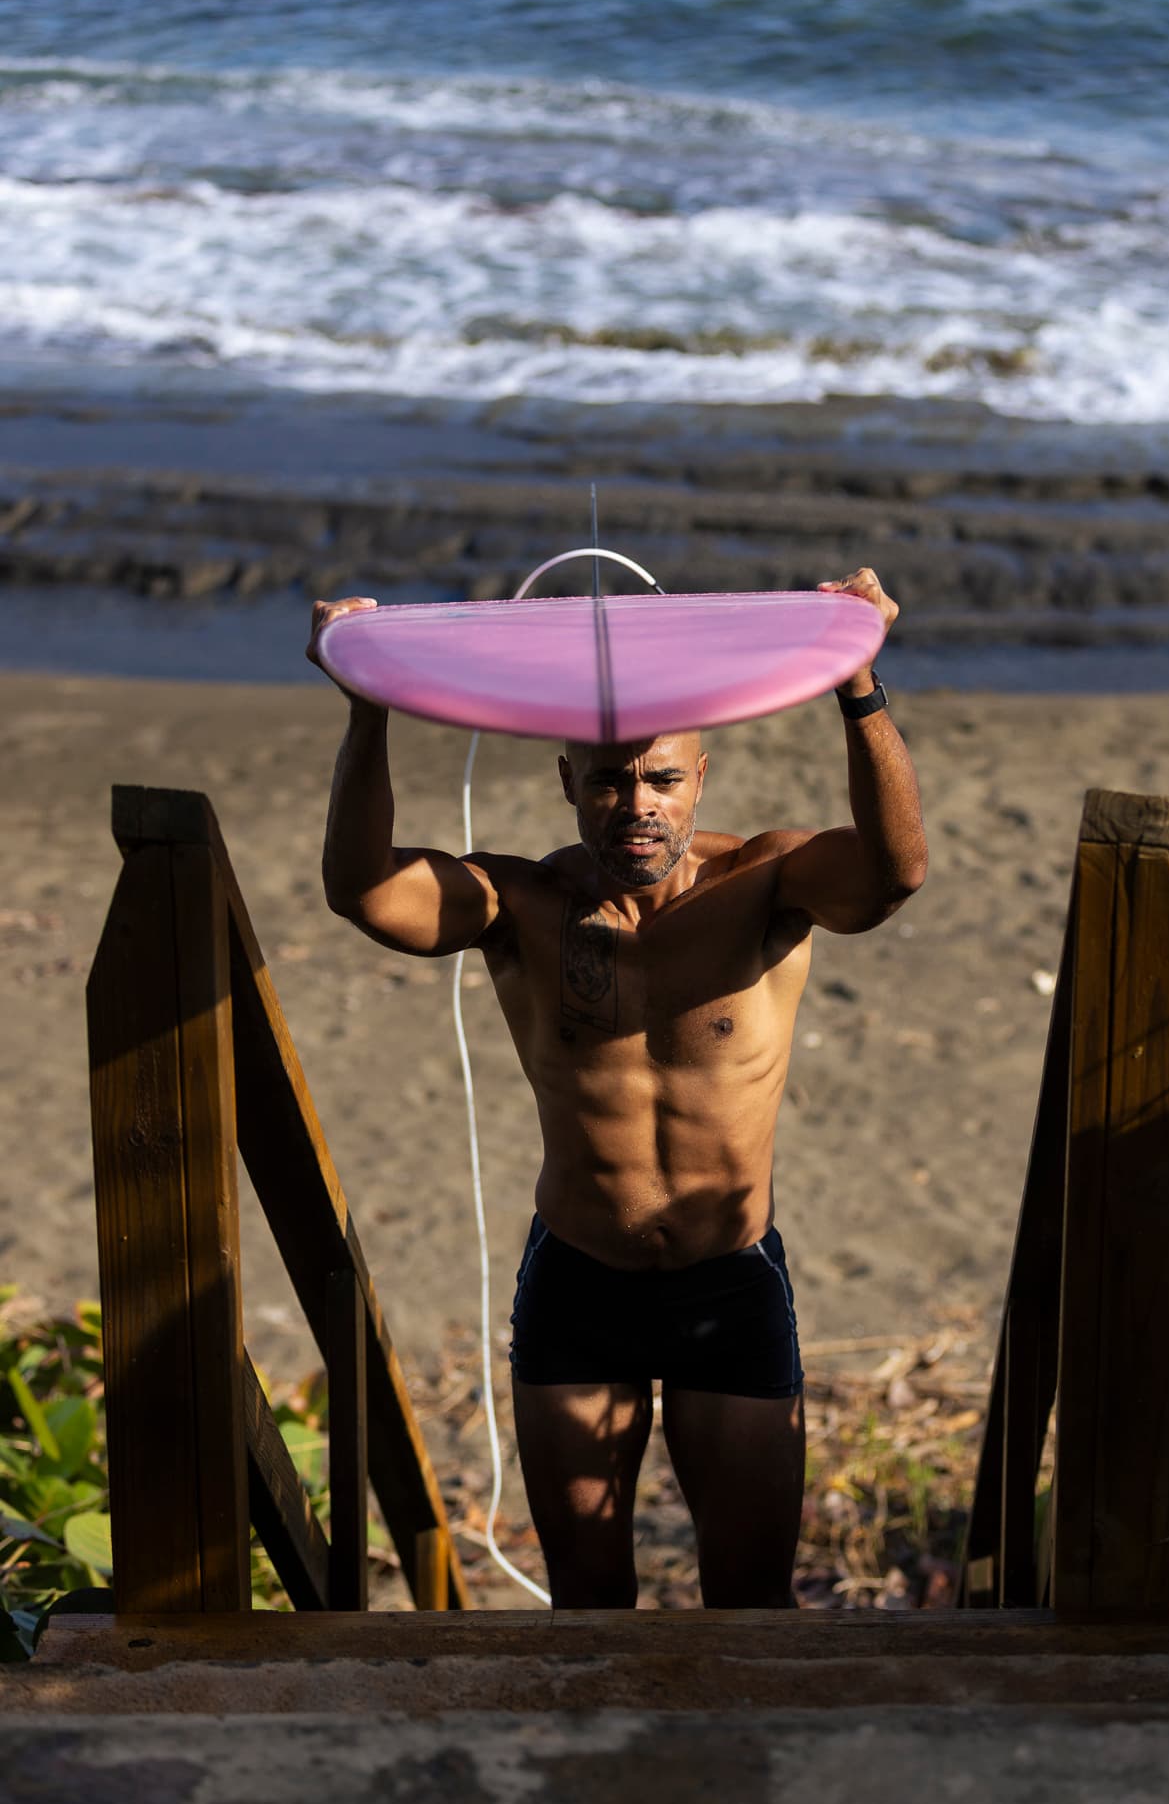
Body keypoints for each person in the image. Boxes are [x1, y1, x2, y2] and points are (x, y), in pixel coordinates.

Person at [309, 567, 927, 1609]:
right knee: (590, 1608)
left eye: (661, 782)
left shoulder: (766, 885)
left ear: (700, 778)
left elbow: (893, 874)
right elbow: (366, 891)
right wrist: (367, 705)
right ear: (567, 781)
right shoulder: (522, 903)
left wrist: (857, 686)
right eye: (607, 783)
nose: (635, 807)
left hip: (726, 1282)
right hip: (579, 1283)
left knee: (750, 1604)